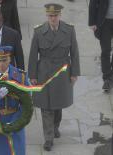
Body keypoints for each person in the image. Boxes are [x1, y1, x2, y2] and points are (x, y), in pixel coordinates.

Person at [28, 3, 80, 151]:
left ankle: (55, 126)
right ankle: (48, 137)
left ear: (60, 15)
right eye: (50, 16)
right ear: (47, 16)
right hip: (44, 72)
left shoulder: (69, 30)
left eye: (55, 15)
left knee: (58, 105)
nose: (53, 18)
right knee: (46, 106)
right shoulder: (39, 32)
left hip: (62, 71)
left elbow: (74, 52)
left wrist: (74, 73)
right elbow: (33, 54)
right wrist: (32, 75)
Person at [89, 0, 113, 92]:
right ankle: (107, 78)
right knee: (106, 50)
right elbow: (93, 2)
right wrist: (92, 22)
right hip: (104, 21)